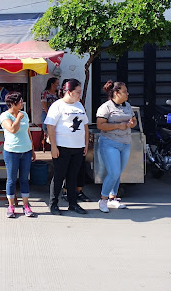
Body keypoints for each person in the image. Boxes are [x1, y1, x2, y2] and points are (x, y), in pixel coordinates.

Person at [45, 78, 89, 215]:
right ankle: (53, 204)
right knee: (59, 176)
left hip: (78, 147)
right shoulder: (57, 106)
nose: (79, 95)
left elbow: (85, 126)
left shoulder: (79, 105)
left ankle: (73, 203)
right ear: (69, 92)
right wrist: (53, 146)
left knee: (73, 176)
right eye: (77, 92)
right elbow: (50, 126)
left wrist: (86, 144)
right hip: (62, 147)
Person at [96, 80, 137, 213]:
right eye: (124, 91)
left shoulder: (128, 106)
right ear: (116, 93)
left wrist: (132, 123)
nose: (127, 94)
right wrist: (118, 126)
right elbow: (100, 125)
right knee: (114, 172)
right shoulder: (106, 107)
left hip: (125, 142)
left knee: (118, 172)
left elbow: (134, 120)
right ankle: (103, 199)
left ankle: (113, 198)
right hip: (109, 142)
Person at [0, 91, 37, 218]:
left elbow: (28, 132)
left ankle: (26, 205)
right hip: (11, 151)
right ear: (13, 103)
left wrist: (32, 149)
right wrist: (18, 118)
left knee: (24, 179)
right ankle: (11, 206)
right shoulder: (5, 116)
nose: (22, 103)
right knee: (11, 180)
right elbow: (12, 130)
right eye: (20, 101)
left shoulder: (24, 114)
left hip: (26, 151)